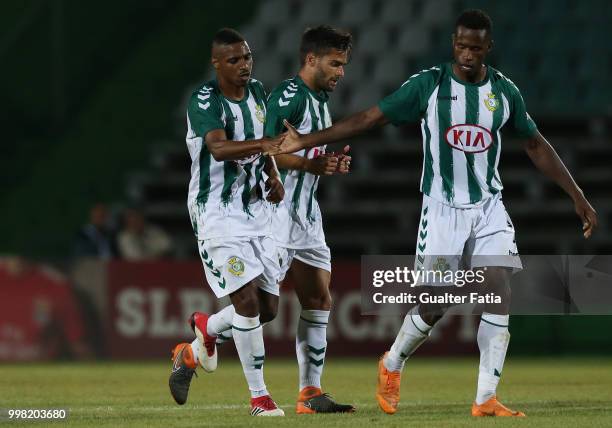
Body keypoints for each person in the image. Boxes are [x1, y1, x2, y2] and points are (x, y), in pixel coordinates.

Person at [278, 9, 598, 417]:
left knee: (498, 290)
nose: (467, 53)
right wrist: (307, 139)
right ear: (454, 43)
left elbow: (535, 144)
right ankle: (392, 362)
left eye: (475, 47)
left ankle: (485, 398)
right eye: (461, 45)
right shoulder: (428, 85)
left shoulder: (503, 91)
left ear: (488, 48)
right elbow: (370, 117)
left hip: (488, 206)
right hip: (442, 209)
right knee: (435, 303)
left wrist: (578, 195)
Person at [168, 28, 286, 417]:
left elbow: (264, 141)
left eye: (247, 57)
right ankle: (260, 398)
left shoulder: (258, 93)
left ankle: (204, 333)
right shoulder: (205, 100)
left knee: (268, 308)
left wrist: (273, 174)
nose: (244, 65)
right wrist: (266, 148)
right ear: (216, 64)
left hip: (255, 212)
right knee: (247, 302)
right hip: (215, 213)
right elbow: (218, 148)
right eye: (234, 59)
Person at [264, 25, 354, 414]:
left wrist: (328, 165)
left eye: (344, 65)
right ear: (310, 59)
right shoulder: (289, 96)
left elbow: (309, 161)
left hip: (307, 215)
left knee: (318, 297)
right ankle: (200, 339)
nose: (340, 72)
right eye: (334, 63)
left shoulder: (320, 101)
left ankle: (309, 393)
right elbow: (264, 151)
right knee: (261, 309)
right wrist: (309, 163)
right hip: (276, 212)